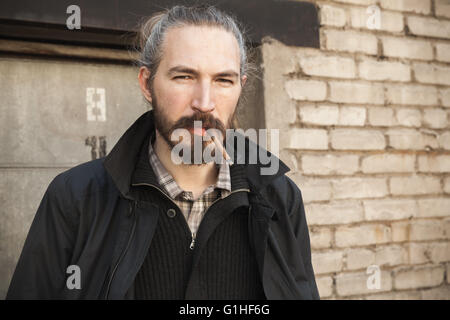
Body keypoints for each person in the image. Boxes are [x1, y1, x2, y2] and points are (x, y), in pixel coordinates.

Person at [6, 5, 319, 300]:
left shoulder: (280, 197)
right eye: (184, 76)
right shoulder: (75, 198)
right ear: (147, 83)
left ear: (241, 86)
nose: (204, 102)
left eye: (223, 80)